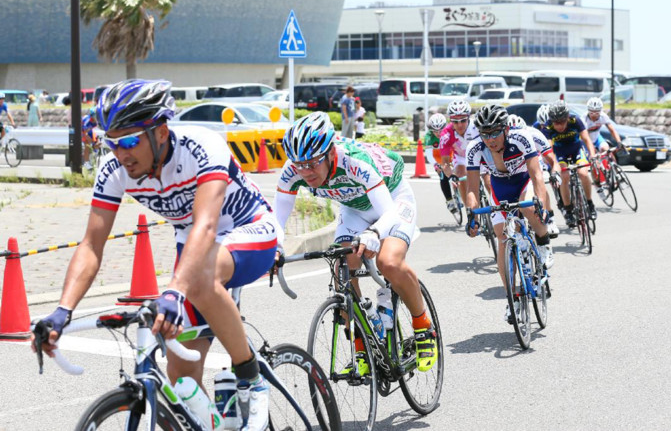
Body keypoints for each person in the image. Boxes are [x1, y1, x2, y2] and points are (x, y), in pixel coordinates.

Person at [32, 79, 278, 431]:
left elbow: (206, 226)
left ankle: (250, 377)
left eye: (130, 141)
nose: (121, 154)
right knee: (181, 377)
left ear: (161, 132)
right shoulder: (115, 171)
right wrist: (62, 310)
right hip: (193, 245)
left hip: (248, 229)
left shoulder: (202, 147)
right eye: (111, 143)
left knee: (198, 281)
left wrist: (175, 290)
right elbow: (91, 245)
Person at [275, 112, 438, 374]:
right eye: (299, 164)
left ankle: (423, 326)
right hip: (354, 209)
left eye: (313, 163)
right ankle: (362, 344)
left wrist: (374, 233)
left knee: (388, 262)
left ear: (330, 153)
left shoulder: (353, 161)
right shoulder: (294, 170)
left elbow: (388, 213)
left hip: (393, 199)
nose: (305, 171)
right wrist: (274, 247)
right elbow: (279, 216)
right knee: (342, 267)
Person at [464, 105, 554, 323]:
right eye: (485, 134)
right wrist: (471, 214)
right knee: (502, 240)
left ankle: (543, 242)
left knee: (528, 208)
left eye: (495, 132)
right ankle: (512, 298)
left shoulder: (521, 138)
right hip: (500, 188)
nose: (490, 139)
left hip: (523, 181)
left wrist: (541, 203)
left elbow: (537, 175)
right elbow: (472, 190)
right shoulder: (475, 148)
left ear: (506, 129)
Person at [543, 100, 598, 226]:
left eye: (562, 121)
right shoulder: (548, 127)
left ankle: (589, 203)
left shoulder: (575, 120)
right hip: (560, 153)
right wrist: (553, 164)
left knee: (583, 174)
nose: (560, 126)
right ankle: (568, 210)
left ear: (567, 117)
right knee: (564, 176)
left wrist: (593, 155)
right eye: (556, 123)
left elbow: (586, 139)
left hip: (576, 149)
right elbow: (548, 149)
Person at [507, 114, 560, 237]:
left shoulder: (534, 134)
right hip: (516, 165)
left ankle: (550, 216)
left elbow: (552, 159)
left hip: (533, 158)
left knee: (539, 180)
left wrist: (554, 172)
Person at [438, 100, 480, 214]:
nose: (460, 124)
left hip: (479, 155)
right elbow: (445, 163)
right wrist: (451, 175)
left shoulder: (477, 127)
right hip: (461, 157)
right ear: (450, 120)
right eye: (455, 122)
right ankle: (470, 212)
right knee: (461, 175)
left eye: (463, 120)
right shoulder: (446, 134)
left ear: (468, 117)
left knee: (488, 181)